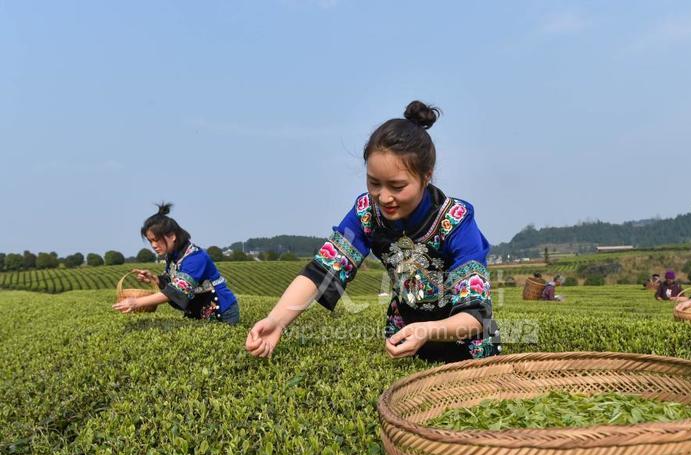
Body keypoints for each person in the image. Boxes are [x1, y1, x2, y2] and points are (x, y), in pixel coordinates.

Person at [246, 101, 499, 362]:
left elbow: (476, 313)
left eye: (397, 186)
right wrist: (277, 321)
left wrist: (428, 330)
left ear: (426, 177)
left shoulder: (456, 219)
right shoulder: (367, 212)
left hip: (464, 345)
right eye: (374, 183)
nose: (384, 197)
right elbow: (323, 269)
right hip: (404, 339)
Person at [112, 203, 240, 324]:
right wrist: (154, 278)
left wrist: (136, 303)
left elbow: (177, 291)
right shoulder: (173, 255)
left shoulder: (195, 258)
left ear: (172, 236)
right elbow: (172, 280)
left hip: (222, 312)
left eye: (156, 240)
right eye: (150, 241)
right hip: (198, 311)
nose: (154, 246)